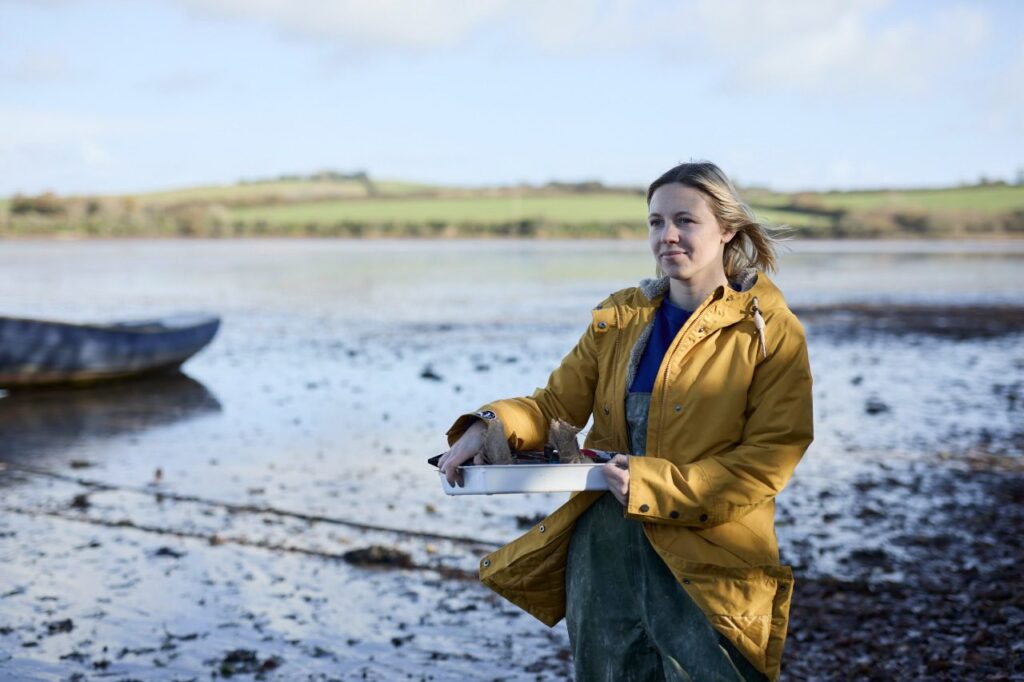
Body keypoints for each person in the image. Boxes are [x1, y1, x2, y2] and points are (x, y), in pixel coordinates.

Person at [437, 161, 813, 681]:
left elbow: (769, 458)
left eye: (686, 220)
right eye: (656, 222)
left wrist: (653, 484)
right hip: (603, 558)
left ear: (728, 229)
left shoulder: (769, 331)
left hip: (708, 560)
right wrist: (486, 428)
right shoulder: (619, 319)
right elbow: (553, 407)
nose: (668, 236)